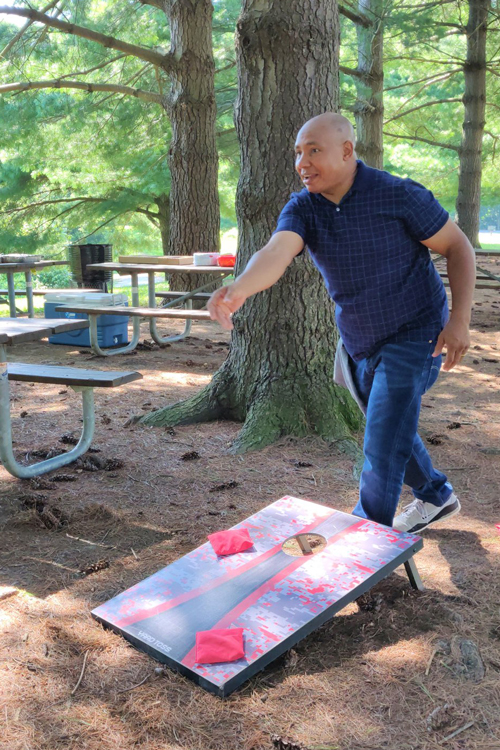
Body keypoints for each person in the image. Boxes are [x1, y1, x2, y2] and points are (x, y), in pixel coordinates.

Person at [207, 113, 475, 533]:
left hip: (417, 332)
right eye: (298, 152)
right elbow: (277, 252)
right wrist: (239, 288)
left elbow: (458, 247)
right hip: (359, 342)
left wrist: (460, 319)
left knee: (383, 440)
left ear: (347, 151)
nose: (302, 162)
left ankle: (362, 542)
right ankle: (436, 496)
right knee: (390, 424)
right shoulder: (304, 207)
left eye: (314, 150)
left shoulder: (397, 195)